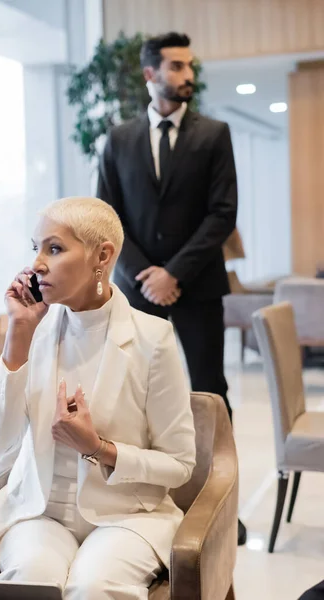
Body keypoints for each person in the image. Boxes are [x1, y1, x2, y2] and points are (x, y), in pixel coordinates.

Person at [0, 197, 196, 599]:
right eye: (36, 249)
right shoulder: (33, 329)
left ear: (102, 255)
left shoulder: (153, 340)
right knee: (33, 580)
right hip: (39, 512)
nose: (37, 265)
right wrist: (18, 337)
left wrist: (100, 448)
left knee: (93, 586)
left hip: (126, 516)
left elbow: (180, 464)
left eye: (54, 248)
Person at [97, 31, 246, 545]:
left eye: (189, 67)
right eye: (177, 66)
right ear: (150, 74)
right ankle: (141, 501)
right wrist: (145, 274)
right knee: (135, 395)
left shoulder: (215, 133)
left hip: (198, 286)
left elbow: (223, 213)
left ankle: (220, 504)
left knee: (210, 392)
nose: (188, 75)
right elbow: (107, 217)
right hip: (136, 290)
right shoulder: (118, 139)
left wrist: (173, 273)